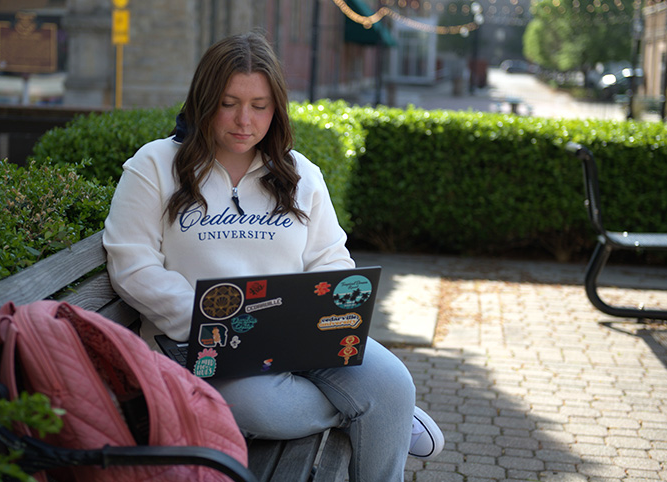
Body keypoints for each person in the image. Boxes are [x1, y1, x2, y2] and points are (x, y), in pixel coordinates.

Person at [102, 32, 443, 481]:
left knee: (394, 382)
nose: (245, 120)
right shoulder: (155, 165)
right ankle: (374, 414)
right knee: (265, 407)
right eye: (229, 103)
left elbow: (330, 261)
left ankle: (386, 409)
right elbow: (133, 264)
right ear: (204, 100)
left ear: (276, 107)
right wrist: (209, 323)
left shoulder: (301, 174)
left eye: (260, 106)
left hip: (297, 337)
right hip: (201, 345)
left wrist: (328, 312)